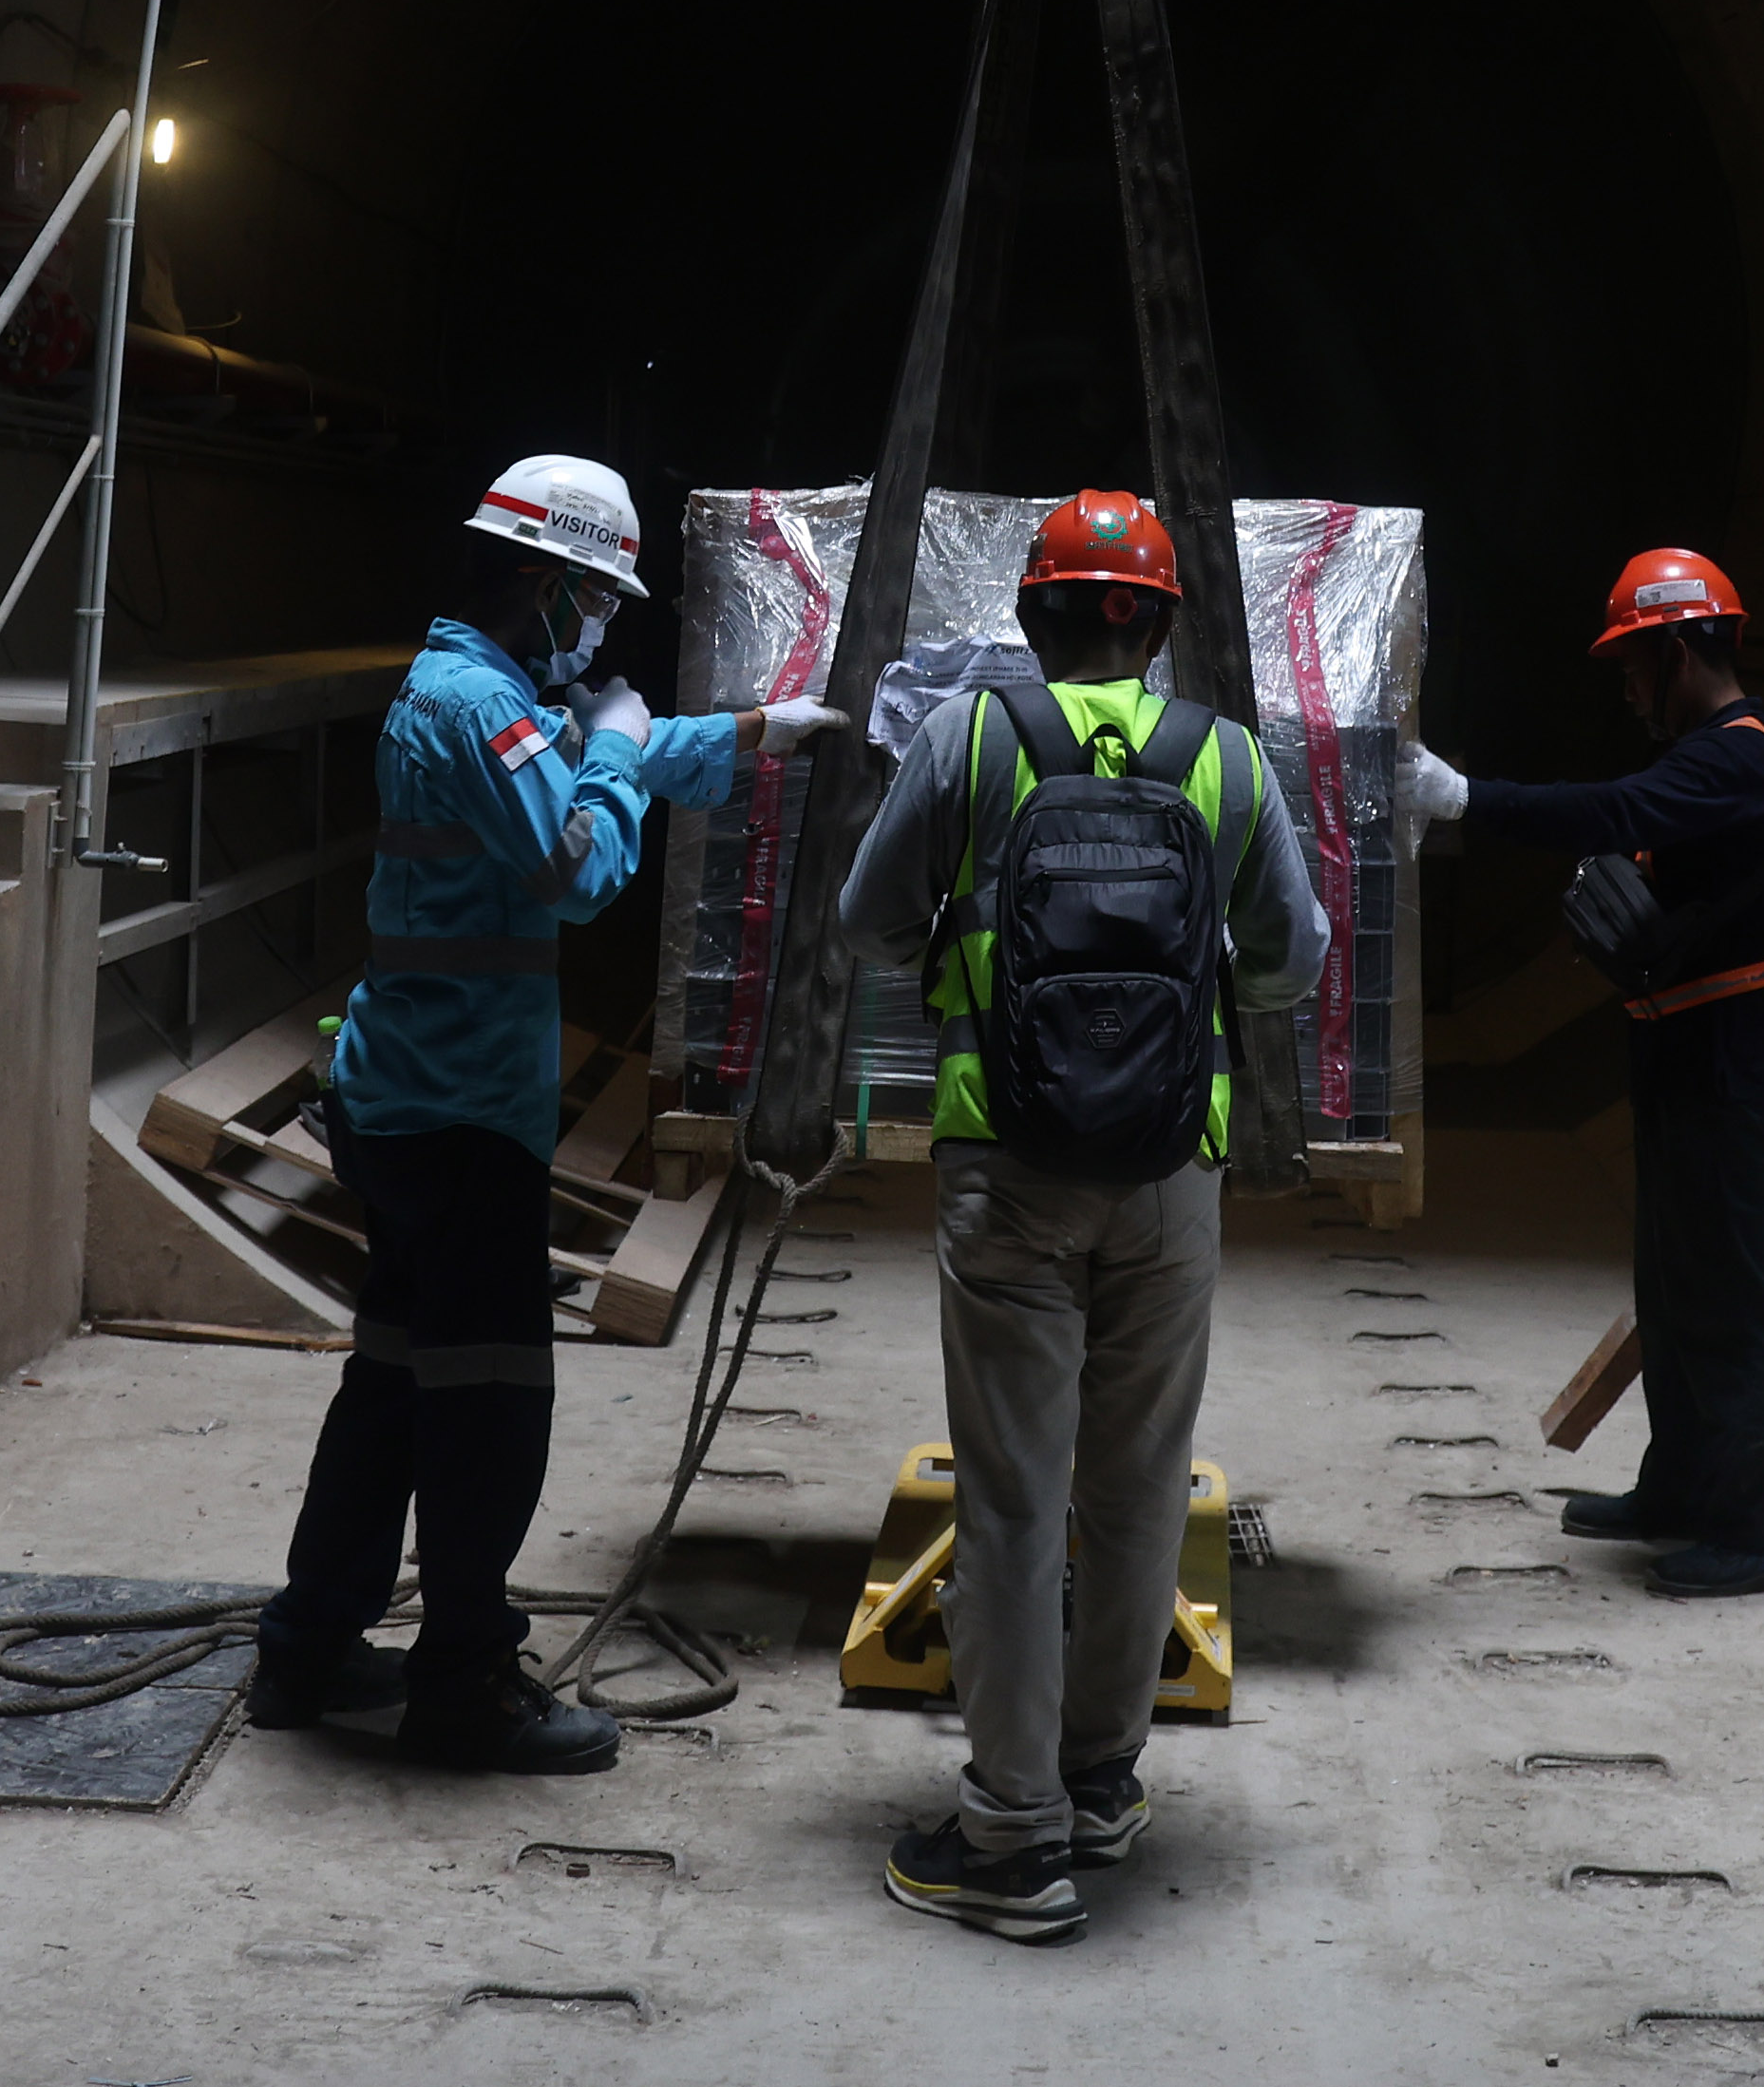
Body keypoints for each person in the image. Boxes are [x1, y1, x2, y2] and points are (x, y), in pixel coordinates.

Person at [247, 453, 855, 1771]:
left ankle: (311, 1642)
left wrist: (756, 734)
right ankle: (462, 1677)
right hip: (460, 1117)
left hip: (414, 1102)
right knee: (488, 1401)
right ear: (544, 582)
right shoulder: (480, 708)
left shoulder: (496, 692)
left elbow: (611, 754)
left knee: (395, 1385)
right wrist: (628, 752)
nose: (605, 628)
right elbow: (578, 861)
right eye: (597, 601)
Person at [834, 490, 1325, 1943]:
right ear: (1159, 621)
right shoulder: (1225, 762)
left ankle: (1008, 1835)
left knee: (1009, 1500)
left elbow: (867, 919)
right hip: (1173, 1178)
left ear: (1033, 614)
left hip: (1009, 1176)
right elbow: (1290, 959)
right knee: (1132, 1494)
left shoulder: (969, 739)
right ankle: (1102, 1787)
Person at [1399, 547, 1764, 1598]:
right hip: (1686, 1047)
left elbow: (1614, 812)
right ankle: (1682, 1485)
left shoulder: (1739, 758)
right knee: (1675, 1286)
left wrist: (1464, 799)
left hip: (1729, 1056)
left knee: (1729, 1294)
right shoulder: (1729, 755)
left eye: (1634, 667)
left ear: (1679, 652)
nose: (1628, 690)